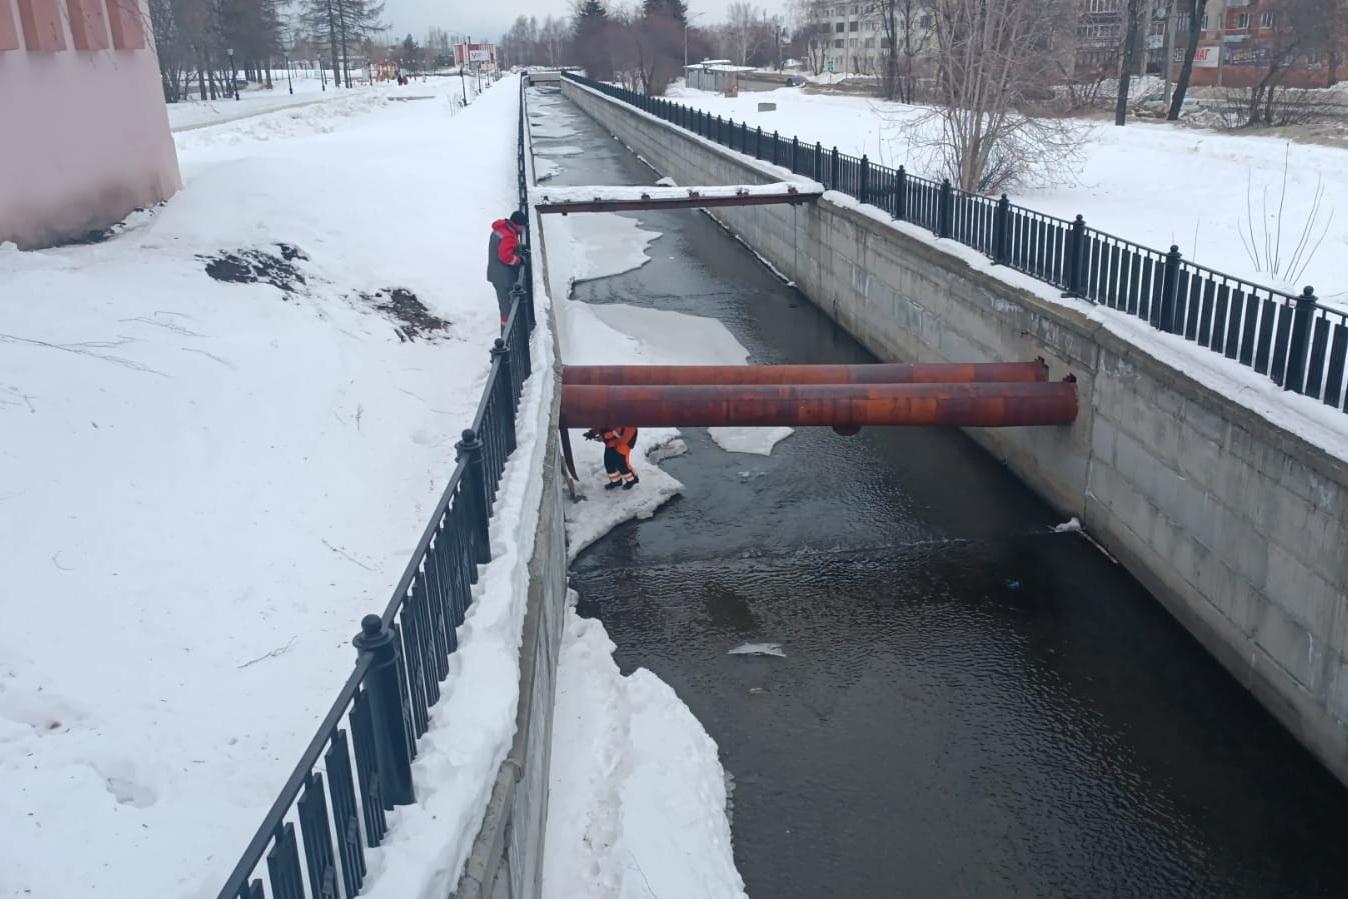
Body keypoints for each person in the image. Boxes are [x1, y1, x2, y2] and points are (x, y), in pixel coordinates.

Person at [486, 211, 528, 329]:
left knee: (505, 307)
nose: (523, 229)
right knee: (507, 309)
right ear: (518, 225)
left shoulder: (502, 228)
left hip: (496, 274)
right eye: (523, 226)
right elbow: (505, 257)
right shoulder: (509, 235)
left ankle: (508, 332)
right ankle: (507, 339)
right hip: (503, 278)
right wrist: (519, 260)